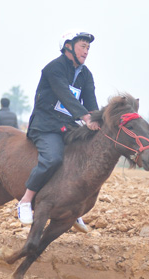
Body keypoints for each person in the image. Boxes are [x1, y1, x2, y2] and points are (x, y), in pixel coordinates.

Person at [17, 30, 100, 232]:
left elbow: (91, 102)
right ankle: (26, 201)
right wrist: (84, 116)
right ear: (68, 46)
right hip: (45, 125)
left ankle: (74, 210)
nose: (87, 51)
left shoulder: (86, 74)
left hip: (67, 127)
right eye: (83, 46)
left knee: (84, 159)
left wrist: (98, 119)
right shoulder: (54, 68)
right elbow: (64, 95)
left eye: (88, 48)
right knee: (53, 158)